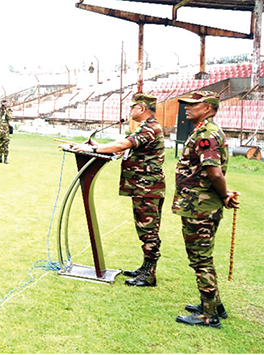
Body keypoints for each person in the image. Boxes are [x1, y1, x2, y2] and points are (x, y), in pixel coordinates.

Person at [73, 93, 165, 287]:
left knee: (148, 230)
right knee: (145, 228)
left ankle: (149, 274)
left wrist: (93, 151)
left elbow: (123, 144)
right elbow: (125, 149)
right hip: (143, 186)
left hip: (147, 188)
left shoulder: (150, 128)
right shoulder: (145, 128)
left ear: (141, 108)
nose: (130, 111)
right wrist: (98, 147)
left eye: (132, 107)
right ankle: (146, 268)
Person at [173, 91, 239, 329]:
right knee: (202, 258)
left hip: (200, 208)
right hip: (199, 205)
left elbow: (214, 172)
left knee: (201, 260)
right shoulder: (204, 131)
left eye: (193, 105)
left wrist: (224, 196)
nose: (187, 108)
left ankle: (207, 316)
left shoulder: (206, 134)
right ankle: (214, 307)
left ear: (209, 108)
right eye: (186, 105)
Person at [0, 99, 13, 164]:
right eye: (2, 104)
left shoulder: (8, 111)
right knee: (0, 145)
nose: (3, 105)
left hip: (6, 131)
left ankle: (5, 159)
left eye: (4, 104)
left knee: (6, 145)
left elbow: (10, 118)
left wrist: (5, 111)